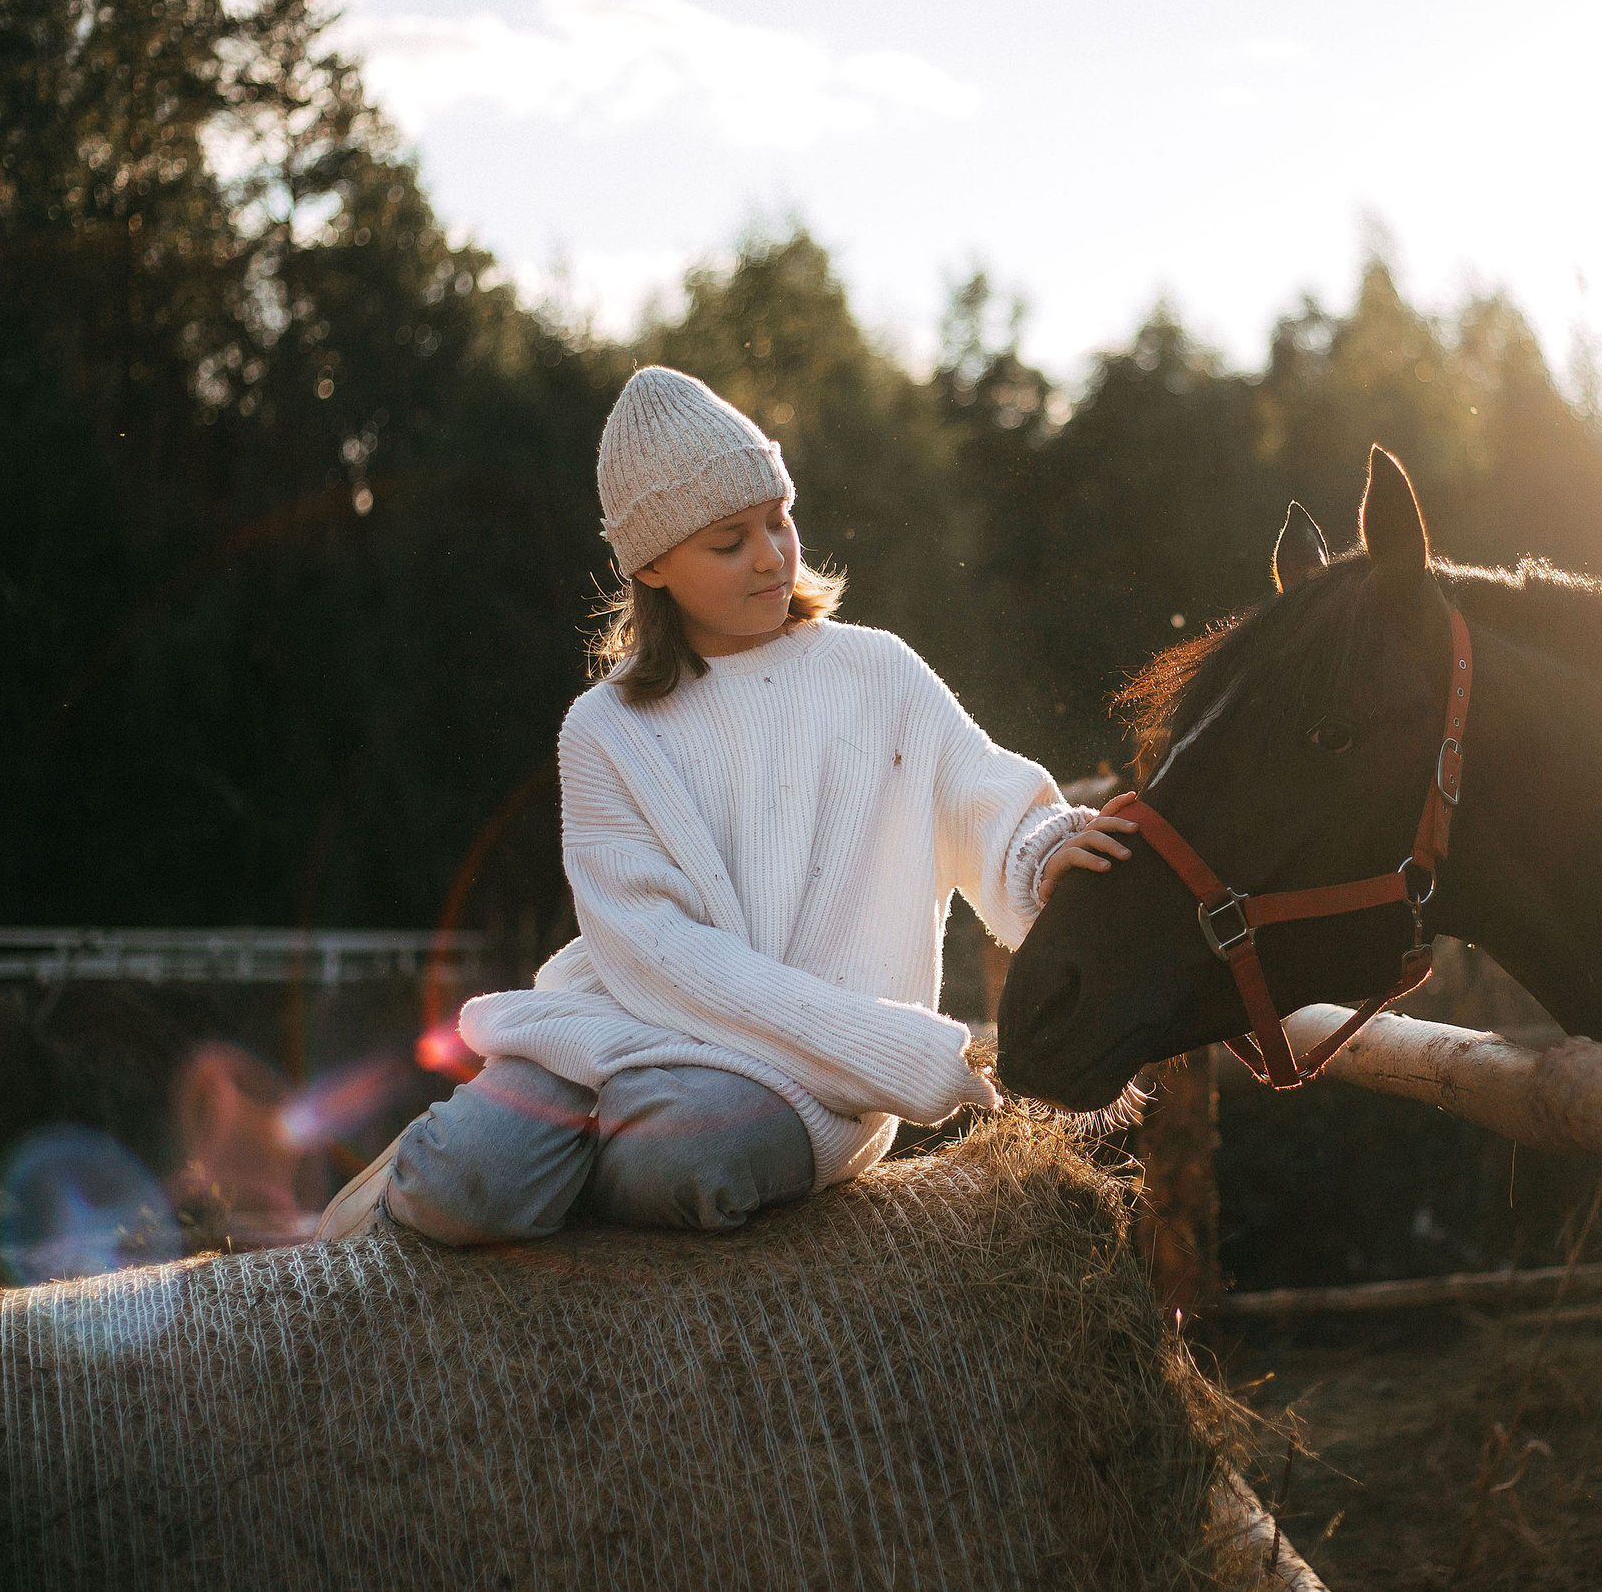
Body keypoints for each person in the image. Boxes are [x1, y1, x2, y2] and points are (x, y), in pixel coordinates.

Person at [317, 366, 1134, 1244]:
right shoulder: (606, 729)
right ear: (654, 563)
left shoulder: (877, 671)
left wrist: (1042, 847)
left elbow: (981, 789)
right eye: (729, 539)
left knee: (688, 1167)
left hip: (809, 1077)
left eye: (779, 518)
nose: (772, 553)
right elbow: (654, 950)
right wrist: (892, 1042)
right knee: (461, 1188)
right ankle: (477, 1158)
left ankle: (586, 1154)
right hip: (621, 1026)